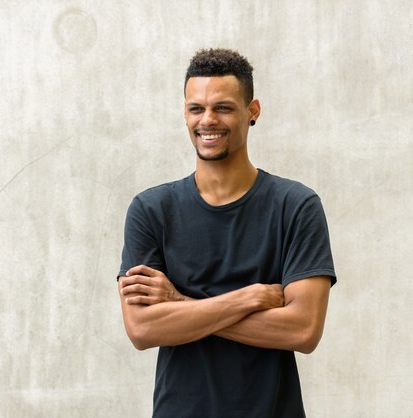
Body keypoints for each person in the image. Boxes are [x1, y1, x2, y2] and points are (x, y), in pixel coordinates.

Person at [116, 48, 336, 417]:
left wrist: (181, 304)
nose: (208, 120)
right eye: (196, 108)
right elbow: (142, 329)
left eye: (223, 107)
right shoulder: (151, 210)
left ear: (253, 111)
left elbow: (302, 330)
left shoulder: (296, 205)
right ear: (184, 112)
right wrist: (247, 298)